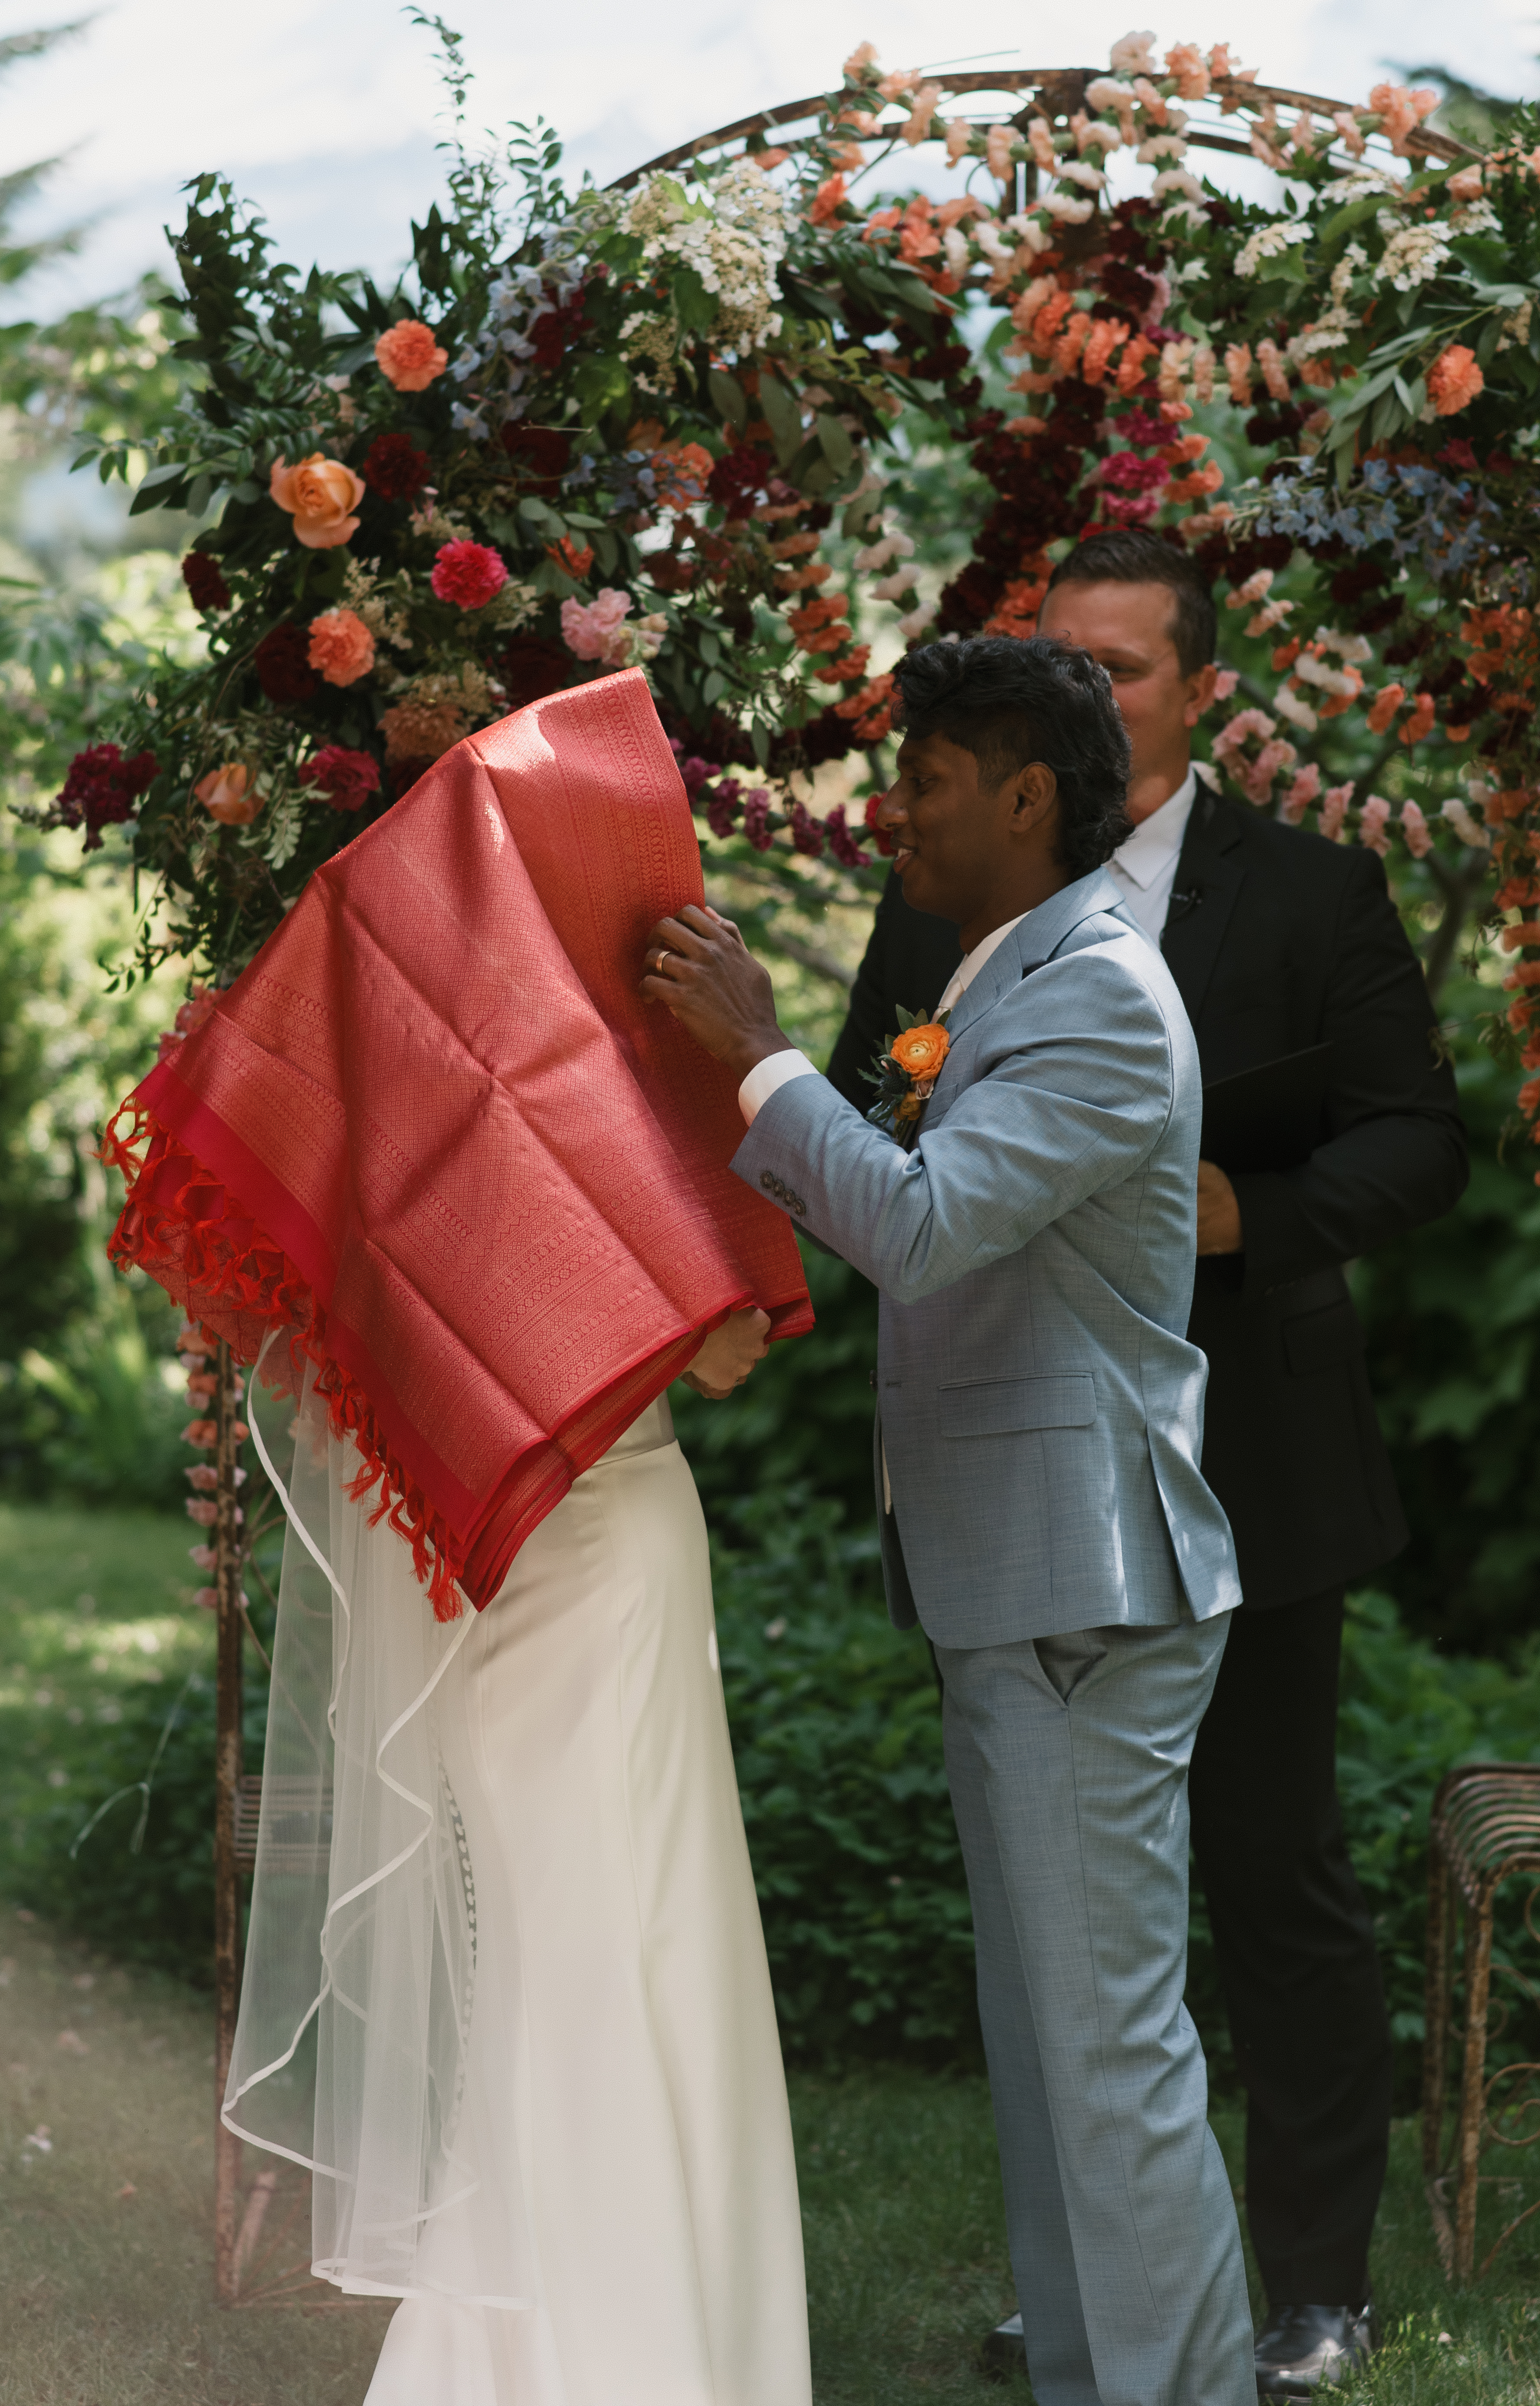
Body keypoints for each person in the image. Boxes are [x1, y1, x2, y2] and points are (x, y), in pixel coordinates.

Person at [102, 671, 815, 2406]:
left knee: (560, 1965)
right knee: (635, 1952)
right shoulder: (589, 1110)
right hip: (612, 1557)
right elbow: (727, 1346)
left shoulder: (391, 1127)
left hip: (499, 1589)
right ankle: (649, 2356)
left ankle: (537, 2351)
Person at [826, 529, 1469, 2398]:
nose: (1095, 689)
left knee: (1270, 1873)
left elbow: (1418, 1141)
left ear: (1198, 689)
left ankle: (1314, 2282)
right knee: (1070, 1947)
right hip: (1030, 1452)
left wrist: (1239, 1210)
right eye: (1070, 661)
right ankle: (1102, 2299)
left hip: (1249, 1437)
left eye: (1123, 664)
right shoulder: (962, 891)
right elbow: (892, 1100)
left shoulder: (1311, 889)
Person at [644, 633, 1258, 2406]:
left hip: (1087, 1587)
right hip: (1028, 1581)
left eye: (922, 775)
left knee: (1108, 2057)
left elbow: (916, 1224)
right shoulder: (1009, 978)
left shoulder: (1094, 992)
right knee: (1052, 2050)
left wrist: (763, 1054)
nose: (890, 805)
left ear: (1024, 796)